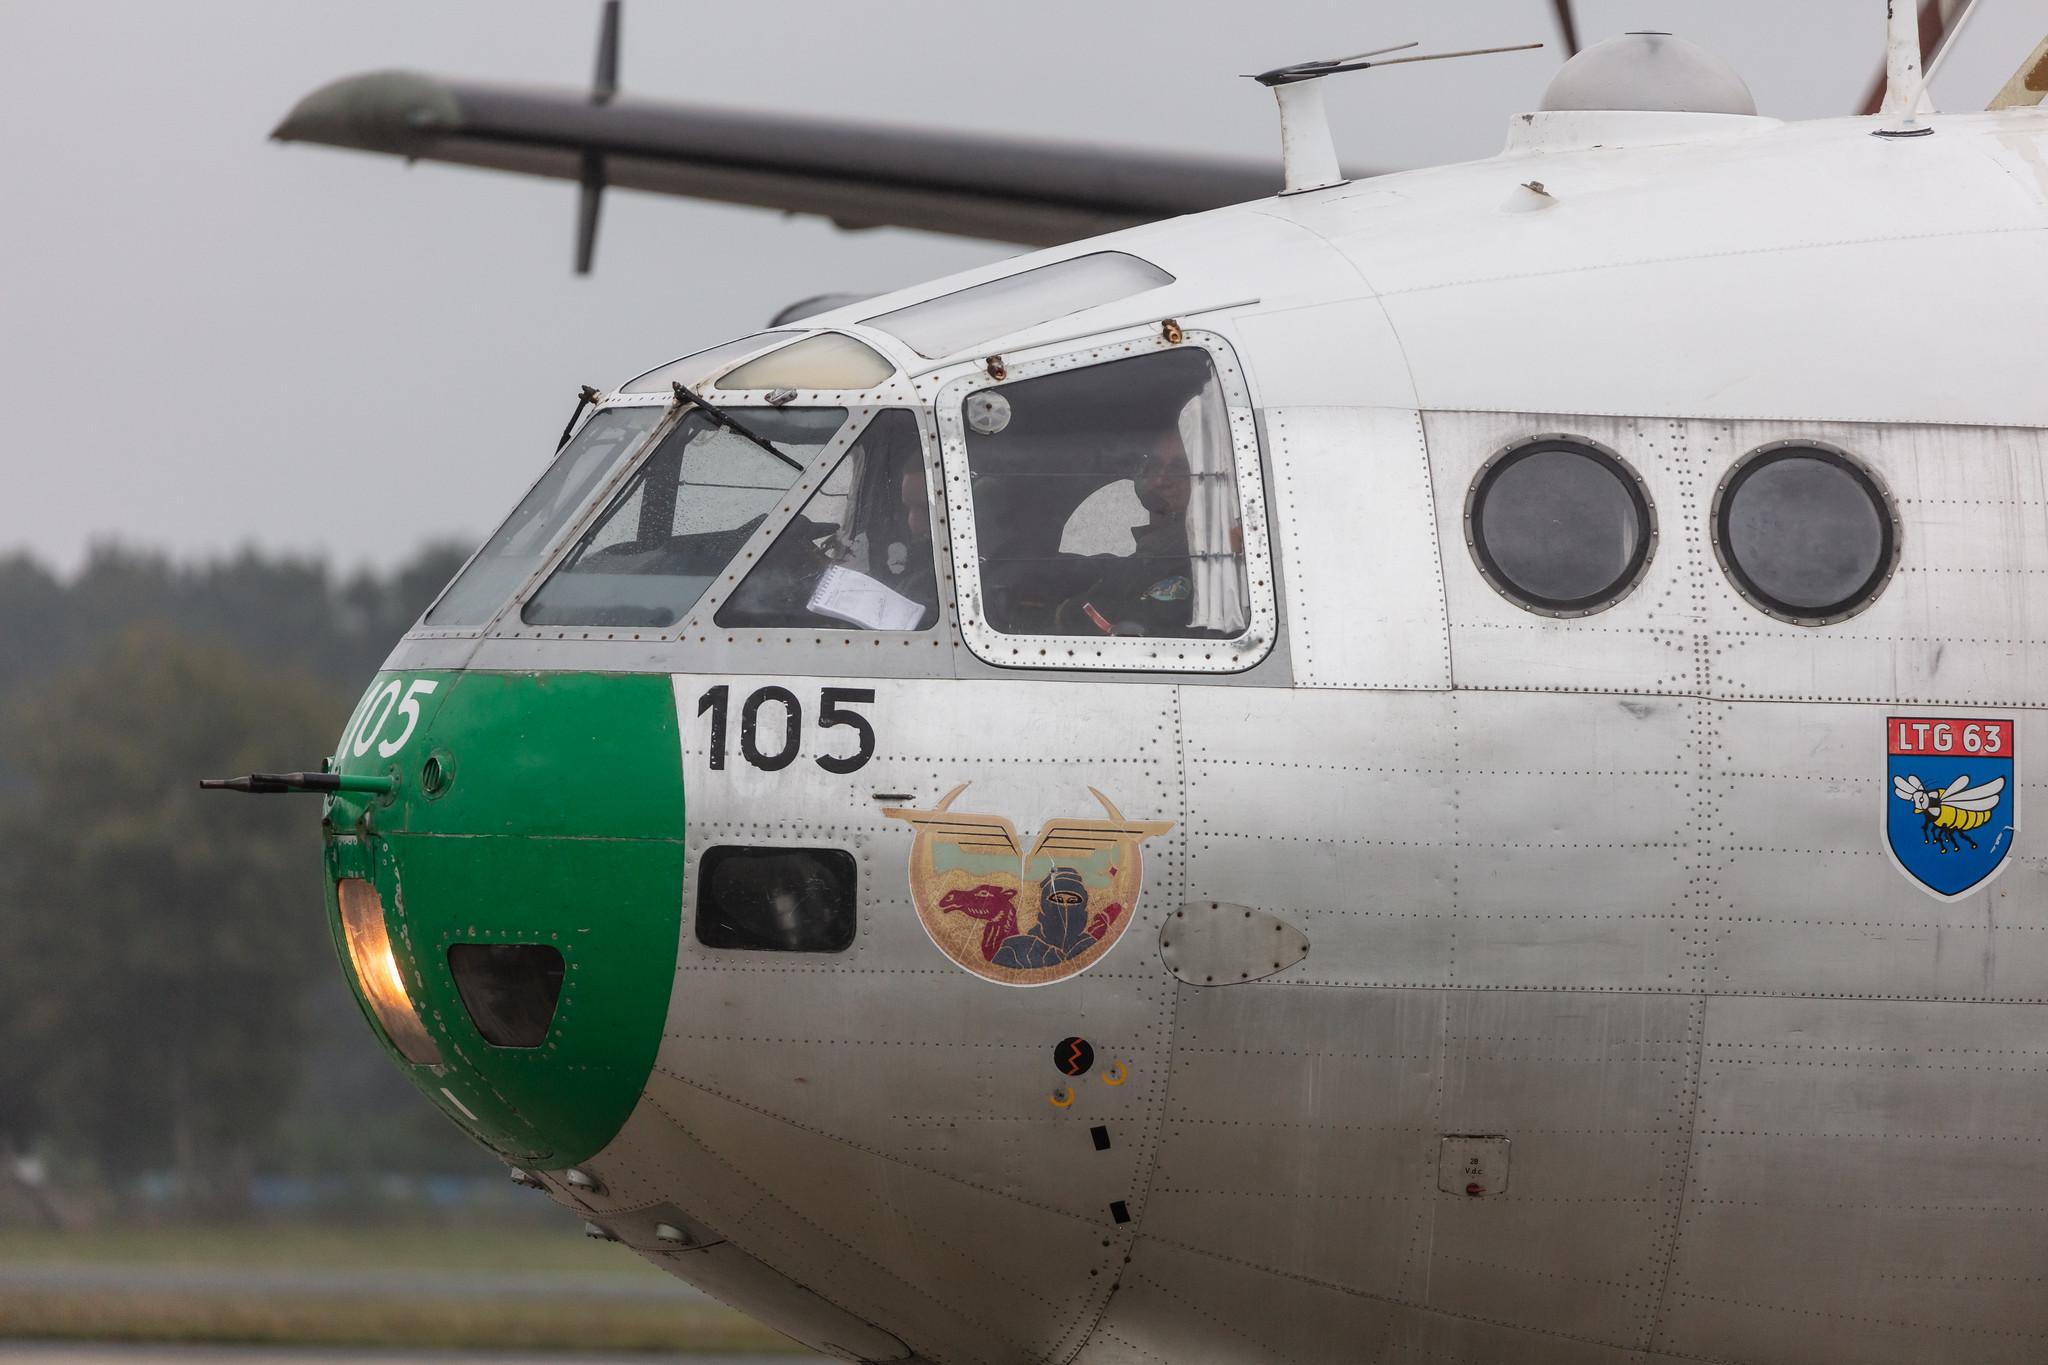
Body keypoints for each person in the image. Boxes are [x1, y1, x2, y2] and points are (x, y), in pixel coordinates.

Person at [1053, 430, 1194, 636]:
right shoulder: (1152, 553)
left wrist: (1066, 612)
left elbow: (1143, 616)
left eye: (1180, 469)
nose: (1160, 480)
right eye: (1155, 466)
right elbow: (1123, 570)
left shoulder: (1194, 556)